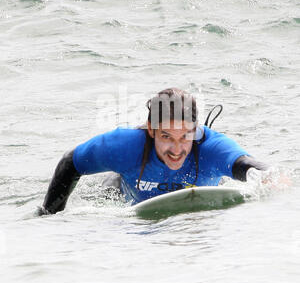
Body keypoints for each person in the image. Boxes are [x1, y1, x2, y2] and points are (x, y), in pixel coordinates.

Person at [38, 87, 267, 215]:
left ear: (196, 130)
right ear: (151, 129)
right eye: (167, 137)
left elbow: (246, 164)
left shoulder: (211, 147)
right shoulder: (125, 146)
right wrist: (50, 215)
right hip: (121, 191)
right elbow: (71, 162)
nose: (176, 149)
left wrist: (270, 179)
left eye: (185, 136)